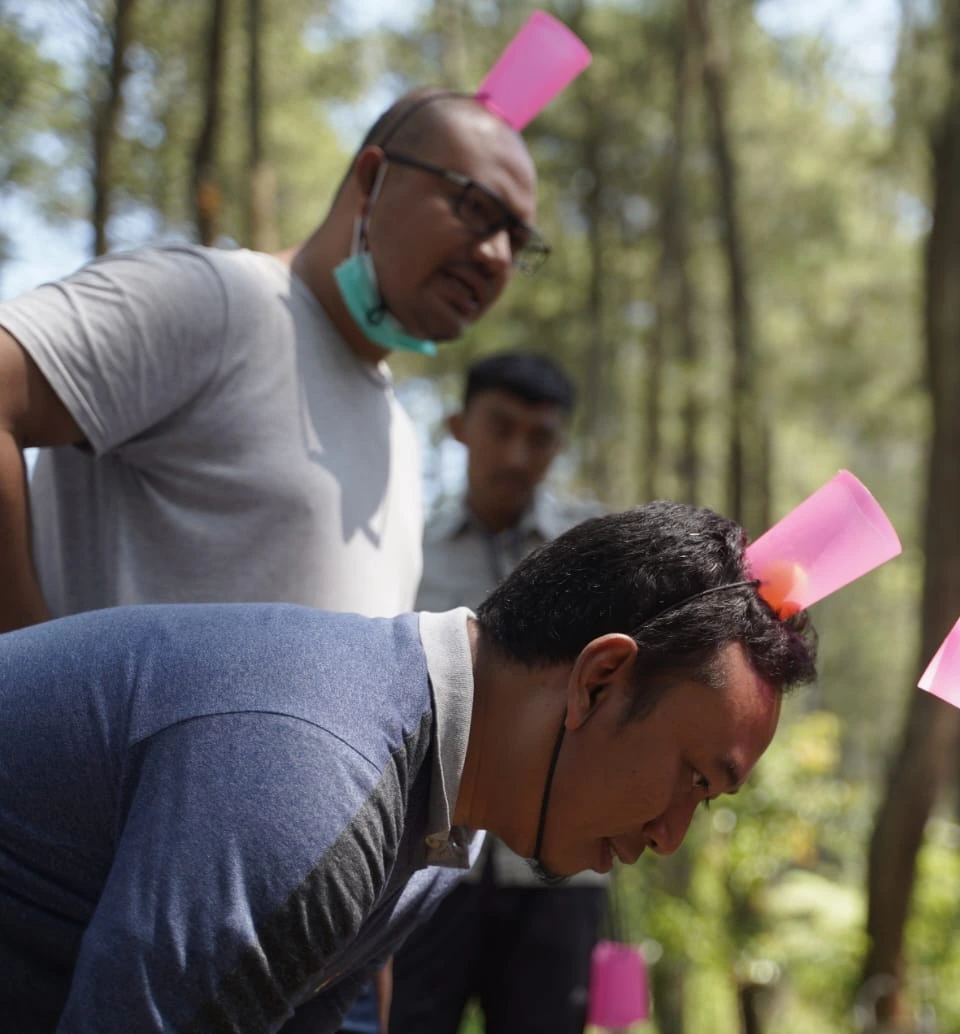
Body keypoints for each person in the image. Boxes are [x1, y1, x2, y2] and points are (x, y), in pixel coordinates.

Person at [0, 502, 816, 1034]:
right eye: (695, 779)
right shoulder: (317, 784)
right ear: (599, 680)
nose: (671, 835)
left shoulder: (434, 814)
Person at [0, 85, 546, 632]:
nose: (497, 256)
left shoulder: (399, 436)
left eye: (518, 240)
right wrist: (23, 665)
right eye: (476, 207)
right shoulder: (215, 301)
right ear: (372, 179)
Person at [391, 352, 609, 1034]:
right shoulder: (407, 554)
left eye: (539, 437)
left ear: (560, 445)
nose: (517, 455)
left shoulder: (598, 556)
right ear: (460, 427)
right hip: (428, 863)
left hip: (560, 869)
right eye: (500, 427)